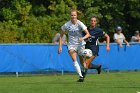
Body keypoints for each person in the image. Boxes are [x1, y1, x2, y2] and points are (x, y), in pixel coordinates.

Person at [58, 9, 90, 82]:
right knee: (74, 59)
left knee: (82, 61)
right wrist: (60, 46)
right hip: (71, 44)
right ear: (70, 16)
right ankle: (81, 76)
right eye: (72, 15)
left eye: (74, 15)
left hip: (80, 44)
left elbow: (88, 34)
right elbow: (61, 36)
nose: (73, 16)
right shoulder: (66, 25)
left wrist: (83, 38)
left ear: (77, 15)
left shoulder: (80, 23)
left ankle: (84, 69)